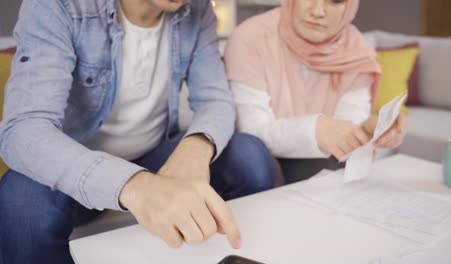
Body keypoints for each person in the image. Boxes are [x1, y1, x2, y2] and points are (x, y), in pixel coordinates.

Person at [0, 0, 276, 263]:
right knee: (20, 204)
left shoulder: (198, 9)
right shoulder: (58, 6)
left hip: (153, 159)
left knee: (249, 157)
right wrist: (135, 186)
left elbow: (215, 100)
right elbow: (23, 130)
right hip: (76, 171)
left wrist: (195, 148)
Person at [224, 0, 407, 183]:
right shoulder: (250, 37)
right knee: (246, 155)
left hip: (320, 162)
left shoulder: (358, 52)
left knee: (340, 170)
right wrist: (315, 130)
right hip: (261, 162)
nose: (318, 11)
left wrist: (366, 130)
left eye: (335, 0)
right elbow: (252, 130)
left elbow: (346, 129)